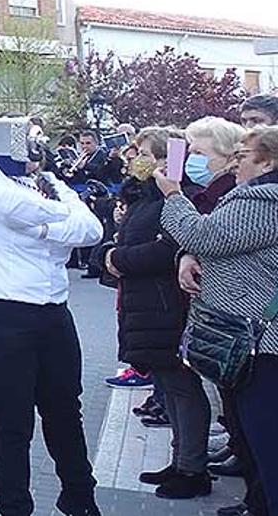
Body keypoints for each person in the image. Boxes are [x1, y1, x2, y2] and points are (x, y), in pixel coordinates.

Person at [0, 150, 104, 516]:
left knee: (66, 410)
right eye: (26, 145)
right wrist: (59, 211)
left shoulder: (48, 182)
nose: (34, 154)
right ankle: (15, 508)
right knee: (12, 420)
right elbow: (17, 210)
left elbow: (92, 230)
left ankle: (80, 498)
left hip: (51, 310)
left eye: (38, 146)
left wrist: (42, 226)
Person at [159, 126, 278, 516]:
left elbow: (207, 235)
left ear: (268, 161)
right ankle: (259, 503)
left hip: (264, 344)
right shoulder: (256, 196)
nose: (235, 163)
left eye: (243, 155)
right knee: (255, 436)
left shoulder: (269, 199)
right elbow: (211, 243)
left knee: (270, 441)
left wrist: (174, 195)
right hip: (250, 340)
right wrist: (187, 255)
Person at [102, 127, 212, 500]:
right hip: (147, 304)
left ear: (167, 159)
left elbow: (168, 250)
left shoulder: (178, 198)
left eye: (143, 152)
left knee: (181, 386)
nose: (133, 157)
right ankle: (181, 459)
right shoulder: (146, 197)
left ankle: (192, 468)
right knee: (168, 386)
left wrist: (116, 258)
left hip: (168, 305)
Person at [183, 116, 243, 215]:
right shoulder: (204, 192)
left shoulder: (235, 198)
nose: (192, 159)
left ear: (231, 157)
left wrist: (172, 194)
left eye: (199, 153)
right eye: (191, 153)